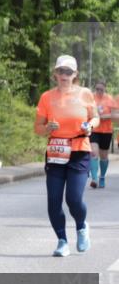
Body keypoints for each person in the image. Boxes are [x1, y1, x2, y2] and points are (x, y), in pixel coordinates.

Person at [35, 55, 98, 257]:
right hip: (56, 151)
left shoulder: (85, 93)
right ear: (55, 73)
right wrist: (47, 128)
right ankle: (62, 241)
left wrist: (90, 126)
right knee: (53, 201)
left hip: (79, 150)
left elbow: (95, 117)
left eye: (68, 72)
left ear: (75, 74)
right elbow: (38, 128)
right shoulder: (46, 97)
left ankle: (81, 226)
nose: (64, 75)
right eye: (61, 71)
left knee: (73, 198)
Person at [89, 80, 115, 188]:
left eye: (101, 89)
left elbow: (114, 114)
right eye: (97, 89)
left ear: (105, 89)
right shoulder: (90, 97)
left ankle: (102, 177)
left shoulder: (110, 99)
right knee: (93, 152)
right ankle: (94, 178)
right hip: (93, 129)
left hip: (106, 130)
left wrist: (104, 116)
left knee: (104, 156)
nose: (99, 91)